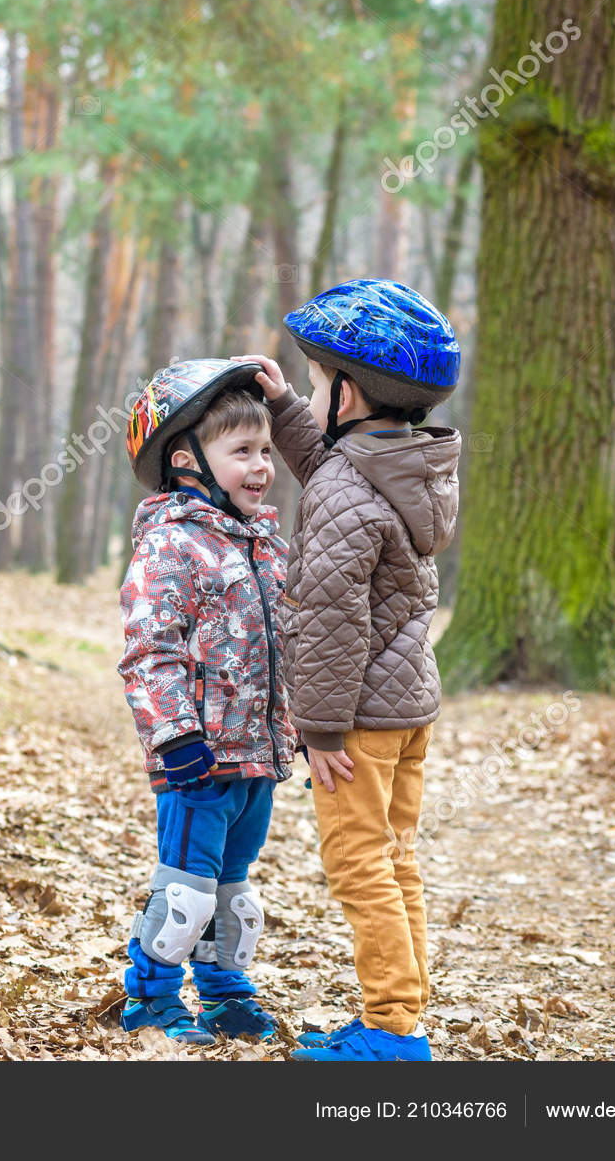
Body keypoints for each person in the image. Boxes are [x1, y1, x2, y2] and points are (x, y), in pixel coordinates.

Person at [229, 277, 461, 1062]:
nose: (318, 392)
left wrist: (319, 729)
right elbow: (332, 464)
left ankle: (393, 1032)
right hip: (409, 709)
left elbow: (329, 619)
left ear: (352, 393)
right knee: (396, 859)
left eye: (324, 382)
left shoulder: (343, 490)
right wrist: (289, 404)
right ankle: (407, 1014)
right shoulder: (407, 467)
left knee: (358, 865)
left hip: (357, 718)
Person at [115, 358, 298, 1044]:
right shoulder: (170, 545)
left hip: (257, 756)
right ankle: (151, 997)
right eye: (242, 452)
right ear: (186, 458)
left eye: (265, 452)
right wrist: (174, 737)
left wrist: (298, 728)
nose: (260, 467)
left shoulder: (264, 546)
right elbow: (149, 652)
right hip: (198, 760)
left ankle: (223, 992)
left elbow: (283, 647)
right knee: (186, 889)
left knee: (233, 894)